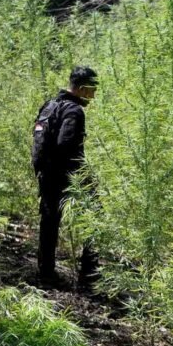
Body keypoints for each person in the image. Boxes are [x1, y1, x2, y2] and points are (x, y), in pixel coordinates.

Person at [31, 66, 100, 287]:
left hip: (46, 173)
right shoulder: (74, 111)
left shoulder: (49, 105)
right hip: (66, 176)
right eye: (92, 88)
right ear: (81, 88)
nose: (94, 94)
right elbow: (66, 146)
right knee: (96, 218)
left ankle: (45, 275)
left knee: (49, 222)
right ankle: (89, 277)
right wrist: (83, 177)